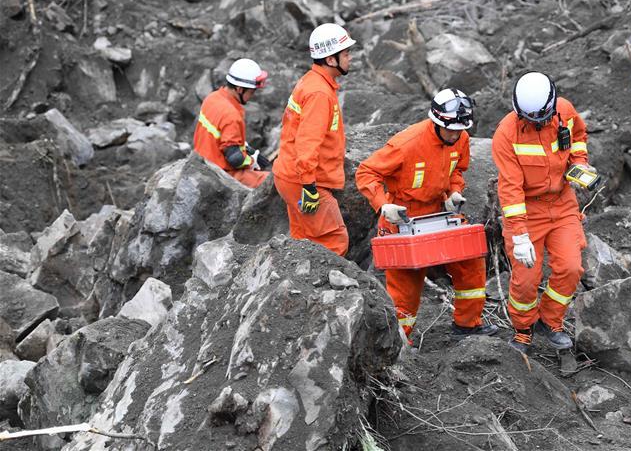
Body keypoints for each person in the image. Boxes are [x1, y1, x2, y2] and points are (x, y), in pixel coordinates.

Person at [356, 89, 499, 344]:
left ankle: (468, 324)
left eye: (460, 130)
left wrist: (454, 193)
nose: (455, 135)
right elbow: (366, 172)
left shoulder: (460, 138)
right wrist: (383, 206)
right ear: (437, 122)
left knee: (471, 261)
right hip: (402, 215)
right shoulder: (406, 144)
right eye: (451, 130)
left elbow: (457, 171)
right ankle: (398, 342)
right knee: (405, 287)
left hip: (438, 212)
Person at [491, 72, 595, 354]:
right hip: (527, 208)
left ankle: (551, 321)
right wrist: (520, 234)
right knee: (526, 279)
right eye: (531, 120)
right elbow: (510, 189)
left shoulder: (565, 111)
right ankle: (523, 329)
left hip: (562, 203)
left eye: (542, 119)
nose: (538, 124)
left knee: (571, 267)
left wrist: (579, 163)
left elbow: (579, 138)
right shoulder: (506, 134)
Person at [273, 23, 356, 256]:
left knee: (304, 241)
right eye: (346, 53)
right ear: (331, 60)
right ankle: (324, 292)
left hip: (291, 176)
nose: (350, 58)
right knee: (334, 240)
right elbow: (307, 144)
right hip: (305, 181)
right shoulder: (319, 93)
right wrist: (309, 186)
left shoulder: (313, 82)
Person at [193, 58, 271, 188]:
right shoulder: (231, 115)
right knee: (272, 183)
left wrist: (251, 152)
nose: (252, 95)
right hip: (221, 173)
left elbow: (223, 138)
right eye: (251, 91)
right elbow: (235, 159)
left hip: (203, 161)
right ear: (240, 89)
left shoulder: (213, 98)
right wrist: (252, 162)